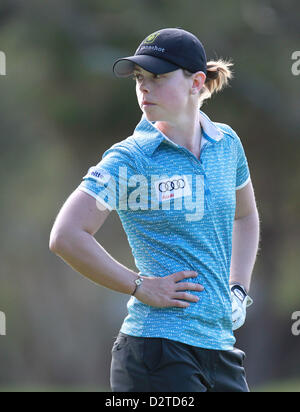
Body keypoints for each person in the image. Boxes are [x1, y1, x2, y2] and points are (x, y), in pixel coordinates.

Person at [49, 28, 260, 392]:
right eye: (139, 78)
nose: (144, 88)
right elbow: (66, 235)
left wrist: (238, 288)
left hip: (220, 348)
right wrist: (139, 285)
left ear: (196, 82)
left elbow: (246, 216)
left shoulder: (227, 144)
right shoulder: (129, 158)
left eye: (157, 77)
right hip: (156, 353)